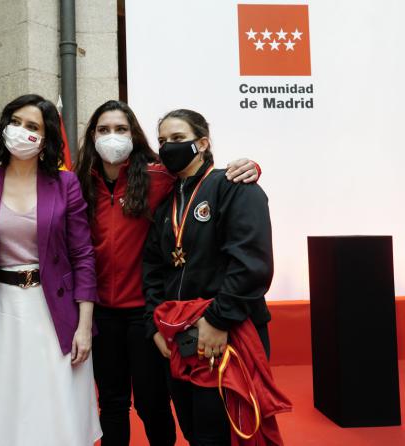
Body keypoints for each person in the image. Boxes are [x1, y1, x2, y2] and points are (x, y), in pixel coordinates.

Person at [73, 100, 260, 446]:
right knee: (111, 402)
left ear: (134, 135)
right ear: (92, 135)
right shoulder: (78, 184)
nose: (112, 137)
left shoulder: (158, 177)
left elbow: (202, 176)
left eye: (121, 129)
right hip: (100, 314)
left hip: (147, 314)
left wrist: (250, 167)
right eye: (103, 130)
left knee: (153, 403)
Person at [0, 94, 102, 446]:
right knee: (5, 396)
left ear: (45, 138)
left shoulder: (65, 183)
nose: (21, 131)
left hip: (53, 306)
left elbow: (83, 255)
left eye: (33, 127)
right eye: (16, 122)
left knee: (55, 399)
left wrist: (84, 326)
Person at [142, 108, 274, 445]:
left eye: (177, 139)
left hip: (228, 332)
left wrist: (218, 320)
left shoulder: (235, 187)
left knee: (227, 433)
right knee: (194, 431)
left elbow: (251, 263)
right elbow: (153, 269)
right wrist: (154, 325)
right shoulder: (166, 203)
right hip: (180, 337)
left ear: (202, 143)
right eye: (162, 141)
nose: (168, 147)